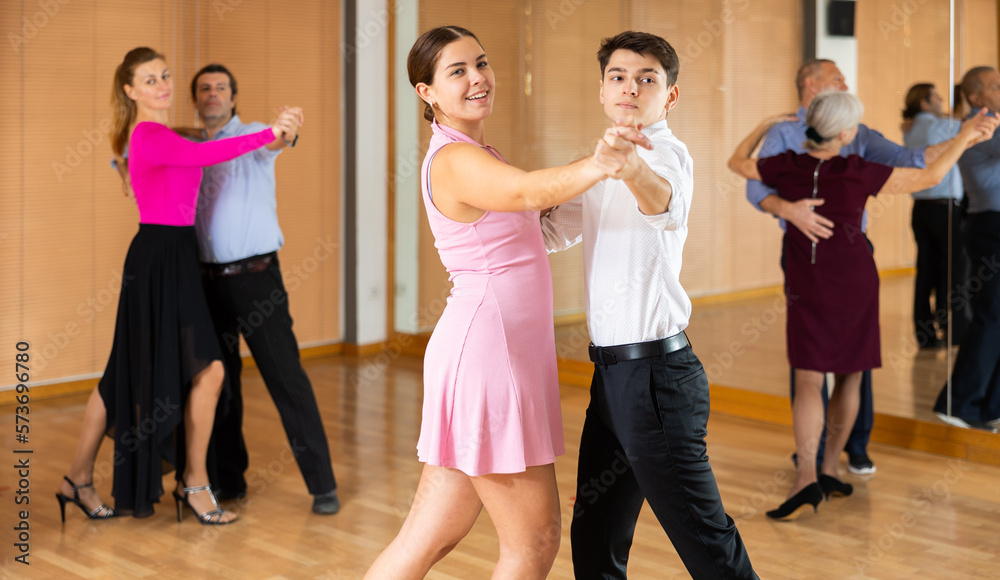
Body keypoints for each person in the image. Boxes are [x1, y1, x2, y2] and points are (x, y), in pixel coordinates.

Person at [364, 26, 646, 578]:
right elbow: (528, 192)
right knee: (535, 542)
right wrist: (602, 161)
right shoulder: (452, 160)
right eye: (458, 71)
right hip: (489, 359)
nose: (478, 78)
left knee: (429, 537)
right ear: (427, 93)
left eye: (481, 63)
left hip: (491, 353)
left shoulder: (474, 152)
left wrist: (598, 181)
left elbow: (535, 219)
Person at [542, 31, 758, 579]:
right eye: (618, 76)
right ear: (602, 89)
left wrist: (628, 166)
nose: (630, 88)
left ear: (670, 95)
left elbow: (663, 202)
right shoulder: (598, 164)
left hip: (657, 378)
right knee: (594, 532)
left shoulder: (666, 154)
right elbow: (548, 233)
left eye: (647, 79)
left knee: (705, 540)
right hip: (611, 379)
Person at [54, 47, 298, 525]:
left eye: (164, 75)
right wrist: (272, 133)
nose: (162, 85)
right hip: (159, 259)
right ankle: (193, 483)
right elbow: (207, 152)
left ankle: (80, 479)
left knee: (128, 375)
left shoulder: (153, 134)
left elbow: (175, 153)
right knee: (204, 372)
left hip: (175, 256)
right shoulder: (148, 134)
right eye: (149, 80)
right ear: (129, 90)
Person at [729, 91, 992, 519]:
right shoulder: (858, 171)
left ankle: (808, 479)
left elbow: (737, 163)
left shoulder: (785, 166)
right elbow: (927, 176)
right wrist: (964, 139)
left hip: (806, 280)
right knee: (851, 376)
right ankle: (830, 468)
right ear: (847, 133)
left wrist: (764, 126)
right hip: (855, 279)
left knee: (810, 379)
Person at [188, 64, 339, 515]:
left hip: (256, 281)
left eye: (221, 88)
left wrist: (286, 129)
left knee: (285, 378)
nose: (212, 94)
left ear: (234, 98)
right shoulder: (193, 149)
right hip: (207, 283)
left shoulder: (253, 136)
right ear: (197, 100)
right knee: (220, 385)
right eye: (204, 89)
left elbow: (278, 138)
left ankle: (323, 485)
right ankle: (228, 482)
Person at [933, 66, 1000, 432]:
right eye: (996, 86)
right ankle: (957, 403)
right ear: (976, 98)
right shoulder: (981, 127)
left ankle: (990, 406)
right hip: (991, 227)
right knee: (992, 317)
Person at [901, 83, 970, 348]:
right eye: (936, 97)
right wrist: (963, 96)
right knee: (953, 270)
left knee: (925, 271)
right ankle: (953, 330)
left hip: (921, 209)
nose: (942, 100)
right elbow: (966, 123)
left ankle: (925, 333)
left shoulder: (910, 127)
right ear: (924, 103)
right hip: (945, 209)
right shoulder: (937, 126)